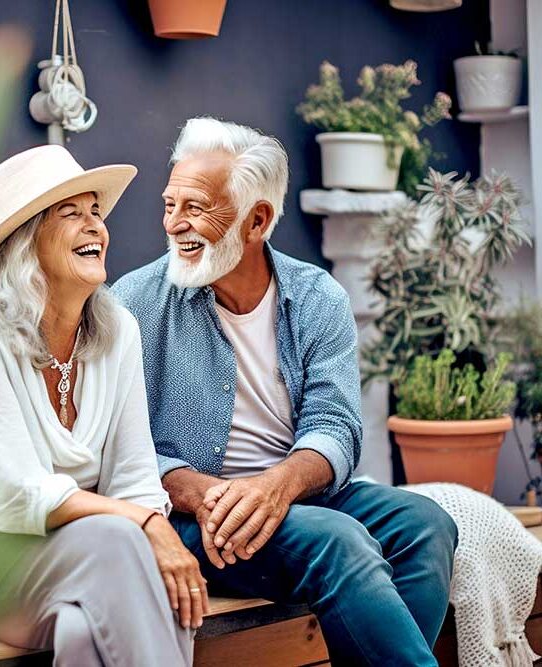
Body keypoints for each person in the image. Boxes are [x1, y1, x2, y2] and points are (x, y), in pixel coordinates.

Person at [112, 117, 458, 666]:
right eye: (169, 203)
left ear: (257, 221)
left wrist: (276, 486)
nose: (174, 224)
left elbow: (337, 424)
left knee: (427, 525)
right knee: (338, 541)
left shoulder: (317, 296)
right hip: (197, 516)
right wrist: (203, 493)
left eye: (195, 207)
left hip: (296, 494)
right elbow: (117, 443)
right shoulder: (133, 301)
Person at [0, 145, 202, 667]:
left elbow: (135, 479)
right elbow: (11, 496)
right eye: (71, 214)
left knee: (87, 627)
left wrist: (150, 524)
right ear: (25, 243)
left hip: (64, 551)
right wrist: (147, 525)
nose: (95, 227)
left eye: (95, 212)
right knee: (121, 540)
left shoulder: (118, 334)